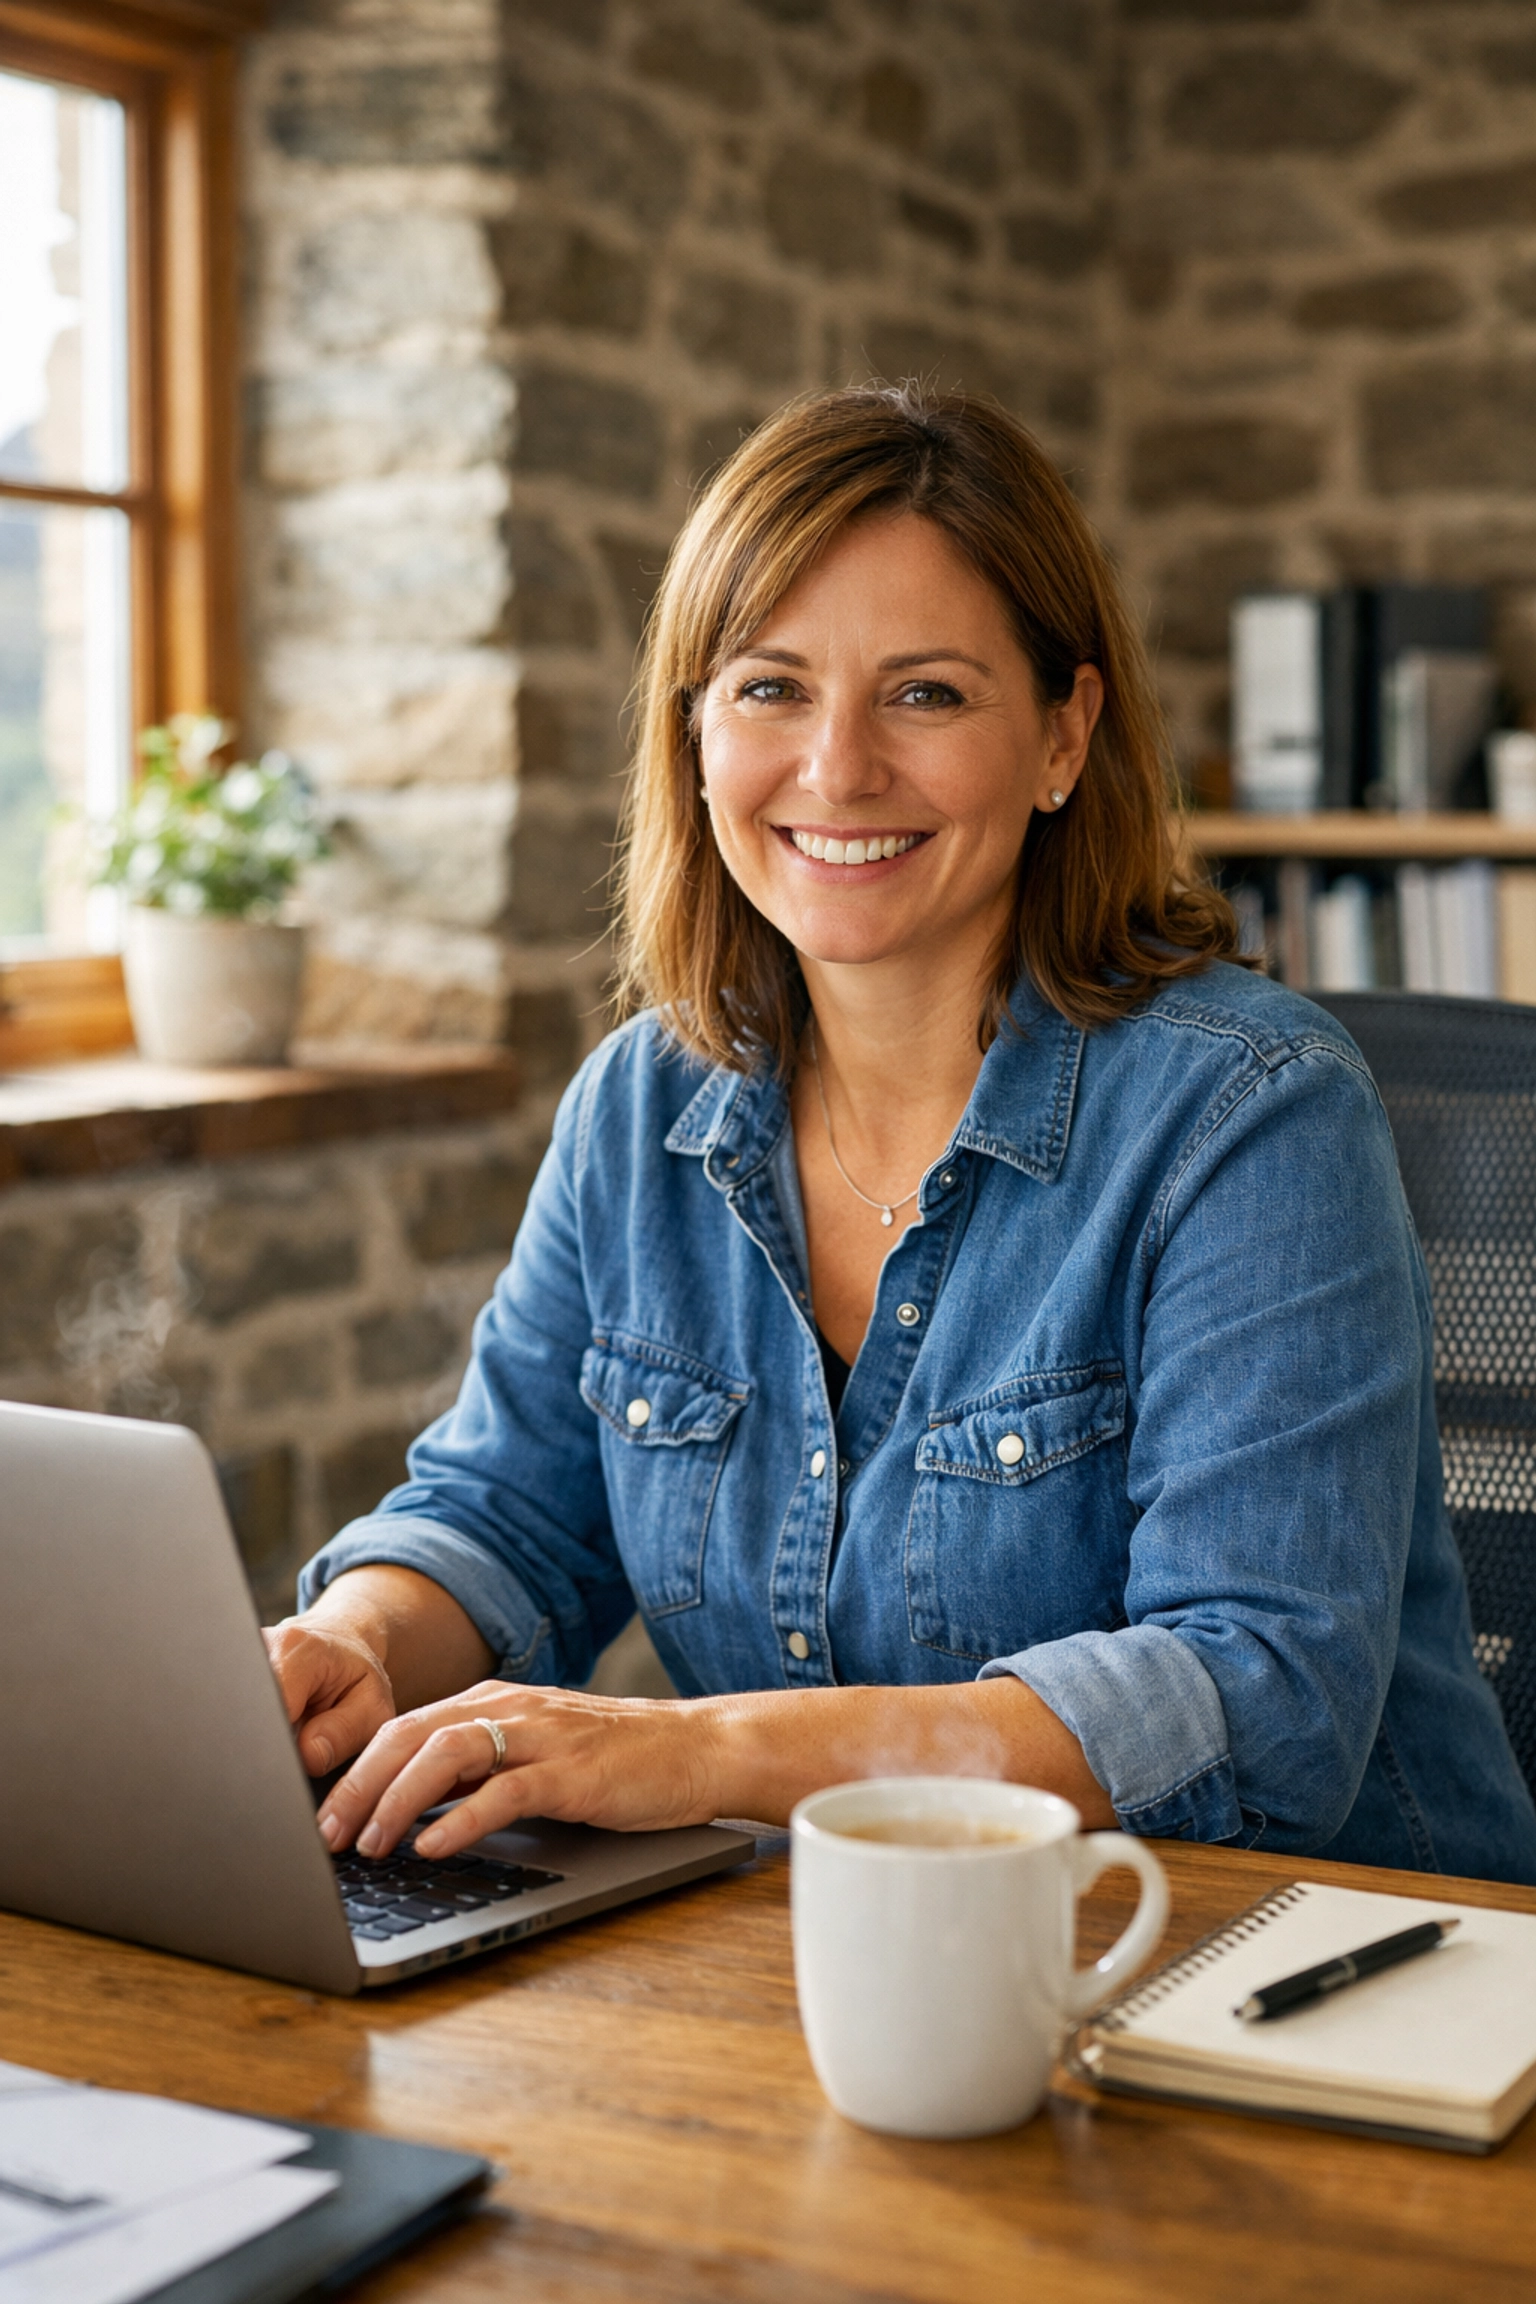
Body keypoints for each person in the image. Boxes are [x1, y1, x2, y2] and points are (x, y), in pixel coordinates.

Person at [267, 384, 1536, 1885]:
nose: (838, 768)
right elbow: (503, 1511)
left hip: (1297, 1978)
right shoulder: (639, 1106)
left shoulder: (1252, 1112)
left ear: (1064, 734)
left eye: (925, 692)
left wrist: (701, 1756)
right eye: (769, 688)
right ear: (691, 737)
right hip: (832, 1962)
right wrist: (357, 1637)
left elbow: (1257, 1695)